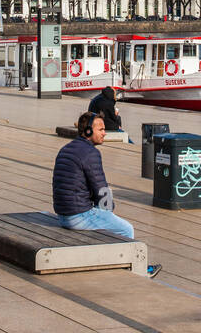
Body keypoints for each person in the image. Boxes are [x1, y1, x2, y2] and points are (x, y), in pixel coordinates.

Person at [52, 112, 161, 277]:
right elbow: (100, 188)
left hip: (63, 214)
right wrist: (109, 211)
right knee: (125, 229)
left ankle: (113, 260)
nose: (105, 133)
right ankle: (137, 271)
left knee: (105, 216)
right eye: (101, 129)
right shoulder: (90, 153)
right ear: (88, 132)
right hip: (77, 215)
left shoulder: (67, 148)